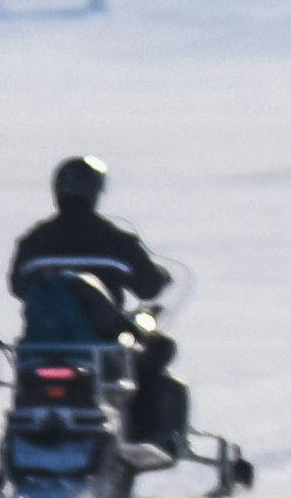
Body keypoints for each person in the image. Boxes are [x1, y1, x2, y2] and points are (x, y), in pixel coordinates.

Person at [11, 154, 186, 443]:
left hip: (43, 342)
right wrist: (160, 277)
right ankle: (145, 435)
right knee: (159, 349)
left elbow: (17, 286)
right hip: (102, 340)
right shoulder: (115, 240)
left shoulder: (35, 240)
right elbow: (148, 287)